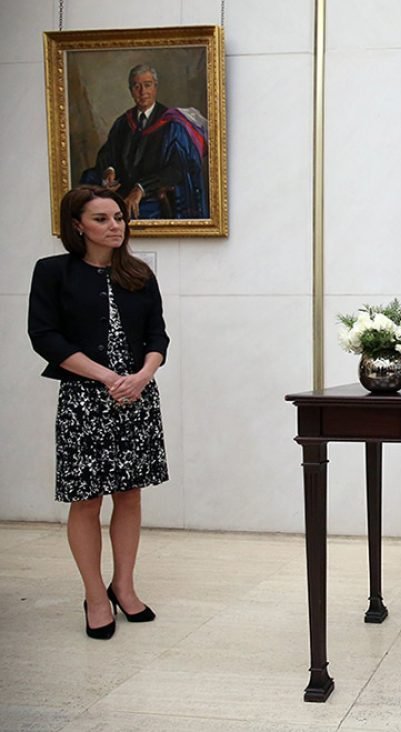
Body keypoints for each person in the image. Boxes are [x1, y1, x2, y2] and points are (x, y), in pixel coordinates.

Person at [28, 185, 169, 639]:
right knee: (86, 499)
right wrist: (107, 378)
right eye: (102, 219)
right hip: (85, 400)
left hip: (136, 398)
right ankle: (94, 595)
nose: (115, 226)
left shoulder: (140, 274)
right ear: (77, 226)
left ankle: (123, 586)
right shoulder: (52, 273)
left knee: (129, 494)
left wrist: (143, 376)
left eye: (119, 218)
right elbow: (45, 337)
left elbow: (157, 337)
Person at [80, 64, 209, 220]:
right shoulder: (123, 122)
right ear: (130, 91)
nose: (142, 92)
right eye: (136, 86)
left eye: (147, 85)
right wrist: (109, 170)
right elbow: (108, 152)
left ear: (155, 87)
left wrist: (141, 188)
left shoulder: (171, 124)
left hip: (152, 195)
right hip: (121, 190)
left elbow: (177, 169)